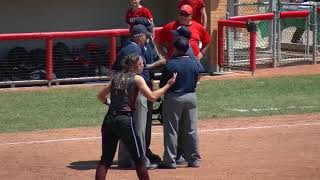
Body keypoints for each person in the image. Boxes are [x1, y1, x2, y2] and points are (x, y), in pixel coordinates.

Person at [95, 54, 177, 180]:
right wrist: (168, 85)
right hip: (125, 120)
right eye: (142, 64)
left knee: (105, 160)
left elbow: (101, 96)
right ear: (137, 65)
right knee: (138, 158)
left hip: (109, 120)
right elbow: (152, 97)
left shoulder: (116, 77)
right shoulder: (137, 79)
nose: (143, 66)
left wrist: (111, 104)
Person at [113, 24, 164, 169]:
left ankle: (124, 160)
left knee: (127, 125)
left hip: (127, 91)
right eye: (146, 36)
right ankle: (141, 160)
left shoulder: (126, 48)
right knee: (139, 128)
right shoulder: (134, 49)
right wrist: (158, 64)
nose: (147, 38)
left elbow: (114, 68)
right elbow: (139, 70)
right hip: (137, 90)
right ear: (140, 36)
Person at [158, 37, 202, 169]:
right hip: (191, 97)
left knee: (172, 130)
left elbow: (163, 84)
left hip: (174, 98)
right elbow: (198, 76)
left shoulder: (171, 64)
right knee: (191, 129)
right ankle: (194, 160)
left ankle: (170, 161)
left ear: (176, 49)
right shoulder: (194, 63)